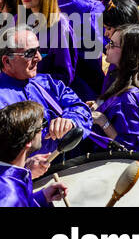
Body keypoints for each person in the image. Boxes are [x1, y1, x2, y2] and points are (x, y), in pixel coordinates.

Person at [0, 27, 93, 157]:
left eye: (39, 50)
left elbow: (79, 107)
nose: (39, 58)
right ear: (7, 61)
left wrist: (70, 121)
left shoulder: (46, 82)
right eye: (30, 53)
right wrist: (27, 166)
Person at [91, 25, 139, 152]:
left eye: (112, 44)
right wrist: (100, 105)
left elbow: (130, 147)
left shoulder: (128, 97)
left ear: (129, 52)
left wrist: (103, 121)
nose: (106, 46)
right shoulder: (130, 76)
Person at [0, 101, 69, 205]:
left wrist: (42, 197)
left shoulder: (11, 178)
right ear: (28, 141)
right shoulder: (11, 197)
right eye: (42, 125)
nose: (43, 128)